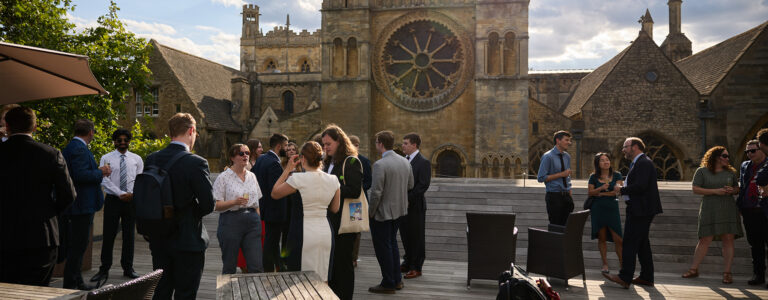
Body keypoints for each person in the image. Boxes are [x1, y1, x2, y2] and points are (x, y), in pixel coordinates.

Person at [0, 107, 76, 286]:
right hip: (41, 236)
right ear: (34, 127)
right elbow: (69, 194)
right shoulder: (50, 154)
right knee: (37, 291)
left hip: (3, 235)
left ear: (8, 127)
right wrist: (48, 212)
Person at [145, 113, 215, 299]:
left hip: (159, 237)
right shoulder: (197, 163)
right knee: (185, 294)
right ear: (191, 131)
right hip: (188, 240)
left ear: (170, 133)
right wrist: (189, 214)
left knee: (161, 292)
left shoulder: (151, 159)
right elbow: (208, 204)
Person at [271, 141, 341, 281]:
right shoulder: (333, 179)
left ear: (302, 158)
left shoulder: (297, 178)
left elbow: (275, 193)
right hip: (325, 232)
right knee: (323, 277)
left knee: (299, 280)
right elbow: (335, 208)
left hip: (301, 232)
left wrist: (287, 170)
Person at [604, 137, 663, 289]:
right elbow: (639, 184)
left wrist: (621, 189)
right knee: (642, 244)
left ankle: (625, 277)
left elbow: (641, 186)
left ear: (635, 147)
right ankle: (646, 277)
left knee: (629, 242)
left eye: (625, 146)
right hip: (640, 208)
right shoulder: (640, 162)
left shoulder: (643, 162)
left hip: (641, 209)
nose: (623, 149)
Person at [62, 119, 111, 290]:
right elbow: (80, 176)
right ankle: (72, 282)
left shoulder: (73, 147)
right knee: (78, 246)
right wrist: (101, 172)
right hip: (81, 205)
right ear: (91, 132)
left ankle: (75, 280)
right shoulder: (78, 149)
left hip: (80, 205)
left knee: (78, 245)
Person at [681, 146, 742, 284]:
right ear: (715, 157)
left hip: (728, 208)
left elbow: (737, 189)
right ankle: (694, 269)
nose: (728, 159)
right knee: (705, 239)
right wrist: (716, 191)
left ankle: (727, 273)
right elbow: (695, 189)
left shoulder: (731, 172)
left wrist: (732, 190)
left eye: (728, 156)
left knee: (728, 239)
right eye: (725, 156)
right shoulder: (702, 171)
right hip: (709, 208)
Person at [90, 129, 143, 285]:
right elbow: (104, 180)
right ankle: (104, 269)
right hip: (114, 199)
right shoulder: (106, 158)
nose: (122, 142)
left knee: (129, 236)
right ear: (114, 141)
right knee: (108, 235)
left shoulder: (137, 159)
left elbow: (140, 179)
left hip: (131, 201)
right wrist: (120, 193)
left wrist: (131, 194)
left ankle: (128, 268)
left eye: (125, 139)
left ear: (129, 141)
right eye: (119, 139)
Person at [368, 131, 414, 294]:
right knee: (392, 244)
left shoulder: (380, 165)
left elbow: (376, 193)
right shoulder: (405, 162)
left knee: (383, 247)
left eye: (376, 142)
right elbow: (410, 185)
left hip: (382, 213)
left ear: (380, 143)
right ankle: (397, 280)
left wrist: (370, 212)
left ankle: (388, 283)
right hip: (399, 211)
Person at [321, 124, 361, 300]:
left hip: (345, 221)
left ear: (339, 142)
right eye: (323, 144)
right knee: (333, 263)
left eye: (328, 143)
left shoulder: (351, 161)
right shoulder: (329, 162)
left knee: (344, 263)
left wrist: (331, 188)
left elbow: (354, 190)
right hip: (330, 219)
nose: (325, 147)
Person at [213, 143, 263, 274]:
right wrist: (234, 202)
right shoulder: (223, 177)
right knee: (230, 266)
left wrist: (258, 220)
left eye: (247, 153)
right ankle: (229, 293)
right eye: (241, 153)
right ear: (232, 158)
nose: (245, 155)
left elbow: (257, 202)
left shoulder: (252, 176)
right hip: (231, 221)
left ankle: (255, 294)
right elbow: (216, 205)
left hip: (252, 221)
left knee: (256, 266)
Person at [253, 133, 290, 272]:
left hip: (265, 207)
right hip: (275, 209)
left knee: (272, 241)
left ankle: (277, 266)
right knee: (271, 241)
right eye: (286, 146)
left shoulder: (262, 158)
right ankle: (268, 268)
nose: (286, 149)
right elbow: (276, 189)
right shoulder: (274, 163)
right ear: (279, 146)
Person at [399, 132, 431, 279]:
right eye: (403, 143)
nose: (402, 146)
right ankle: (408, 261)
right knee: (405, 235)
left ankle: (416, 267)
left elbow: (423, 185)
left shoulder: (423, 162)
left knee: (416, 237)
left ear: (414, 145)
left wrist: (407, 198)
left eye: (405, 143)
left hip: (415, 207)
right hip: (403, 206)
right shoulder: (404, 160)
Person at [586, 152, 623, 274]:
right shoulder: (593, 177)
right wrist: (600, 189)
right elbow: (590, 193)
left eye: (607, 159)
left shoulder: (617, 175)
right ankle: (605, 264)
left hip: (612, 209)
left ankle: (623, 266)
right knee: (601, 238)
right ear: (598, 164)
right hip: (598, 210)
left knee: (618, 239)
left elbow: (617, 192)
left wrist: (601, 194)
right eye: (602, 160)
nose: (606, 162)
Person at [738, 140, 768, 285]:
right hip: (749, 210)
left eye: (753, 151)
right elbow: (743, 185)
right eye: (747, 152)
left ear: (762, 149)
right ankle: (758, 275)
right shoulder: (745, 166)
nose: (749, 154)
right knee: (755, 245)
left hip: (765, 209)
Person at [537, 130, 573, 226]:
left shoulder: (567, 157)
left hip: (567, 197)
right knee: (556, 227)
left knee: (567, 227)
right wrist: (561, 174)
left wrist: (569, 190)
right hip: (554, 196)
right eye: (567, 140)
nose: (569, 143)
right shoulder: (548, 156)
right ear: (558, 140)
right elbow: (541, 178)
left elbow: (567, 175)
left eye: (569, 140)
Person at [348, 135, 372, 268]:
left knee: (356, 230)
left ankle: (354, 257)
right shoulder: (344, 160)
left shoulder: (364, 161)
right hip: (346, 200)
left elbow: (369, 181)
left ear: (357, 146)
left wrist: (358, 188)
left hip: (358, 202)